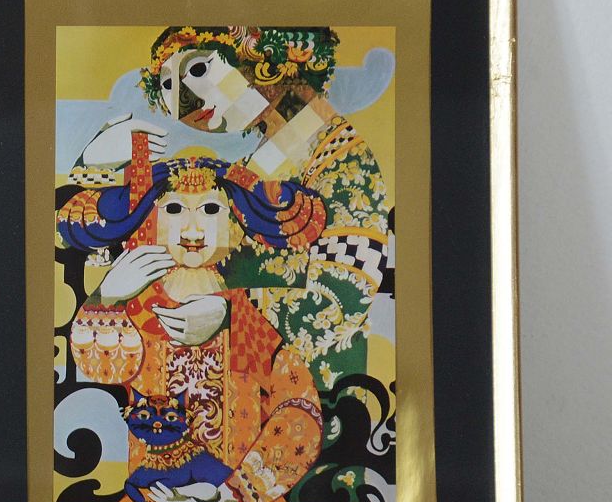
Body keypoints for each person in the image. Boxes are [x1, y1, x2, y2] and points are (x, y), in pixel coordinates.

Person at [70, 27, 389, 392]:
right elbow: (144, 233)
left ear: (259, 54)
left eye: (198, 69)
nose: (183, 105)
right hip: (226, 380)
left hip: (310, 387)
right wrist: (94, 163)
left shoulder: (342, 158)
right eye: (168, 87)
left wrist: (229, 313)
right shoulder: (266, 157)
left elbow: (342, 295)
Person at [60, 156, 326, 502]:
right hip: (151, 501)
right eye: (174, 209)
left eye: (210, 210)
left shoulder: (245, 313)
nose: (193, 230)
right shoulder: (139, 304)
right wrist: (107, 296)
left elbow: (299, 405)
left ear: (235, 221)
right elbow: (100, 368)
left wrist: (232, 492)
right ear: (152, 219)